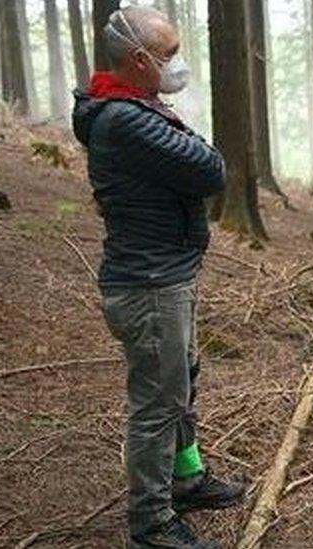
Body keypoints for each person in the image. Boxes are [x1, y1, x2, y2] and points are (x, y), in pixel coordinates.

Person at [72, 8, 244, 548]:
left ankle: (186, 478)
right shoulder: (125, 120)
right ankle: (150, 522)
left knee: (181, 386)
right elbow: (211, 170)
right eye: (168, 54)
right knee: (157, 403)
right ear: (138, 61)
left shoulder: (137, 107)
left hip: (168, 275)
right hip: (147, 285)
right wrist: (201, 148)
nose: (177, 63)